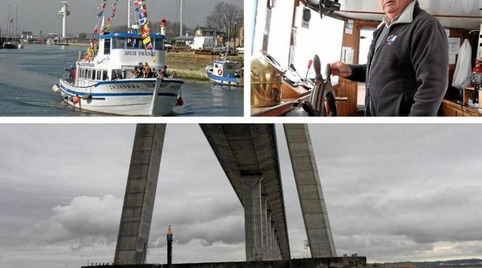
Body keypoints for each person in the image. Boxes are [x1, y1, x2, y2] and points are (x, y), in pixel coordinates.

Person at [330, 0, 448, 116]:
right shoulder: (383, 29)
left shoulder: (425, 26)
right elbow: (381, 69)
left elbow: (433, 86)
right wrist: (351, 70)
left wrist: (412, 129)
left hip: (401, 129)